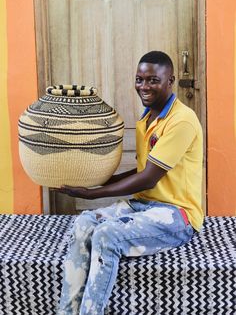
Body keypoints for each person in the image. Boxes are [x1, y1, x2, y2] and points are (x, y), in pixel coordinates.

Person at [56, 51, 204, 315]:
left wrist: (94, 194)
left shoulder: (182, 120)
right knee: (83, 224)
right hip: (143, 206)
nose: (143, 87)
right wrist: (96, 183)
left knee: (106, 234)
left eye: (152, 80)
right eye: (139, 79)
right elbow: (142, 169)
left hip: (176, 215)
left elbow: (148, 177)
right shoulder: (146, 119)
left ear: (170, 80)